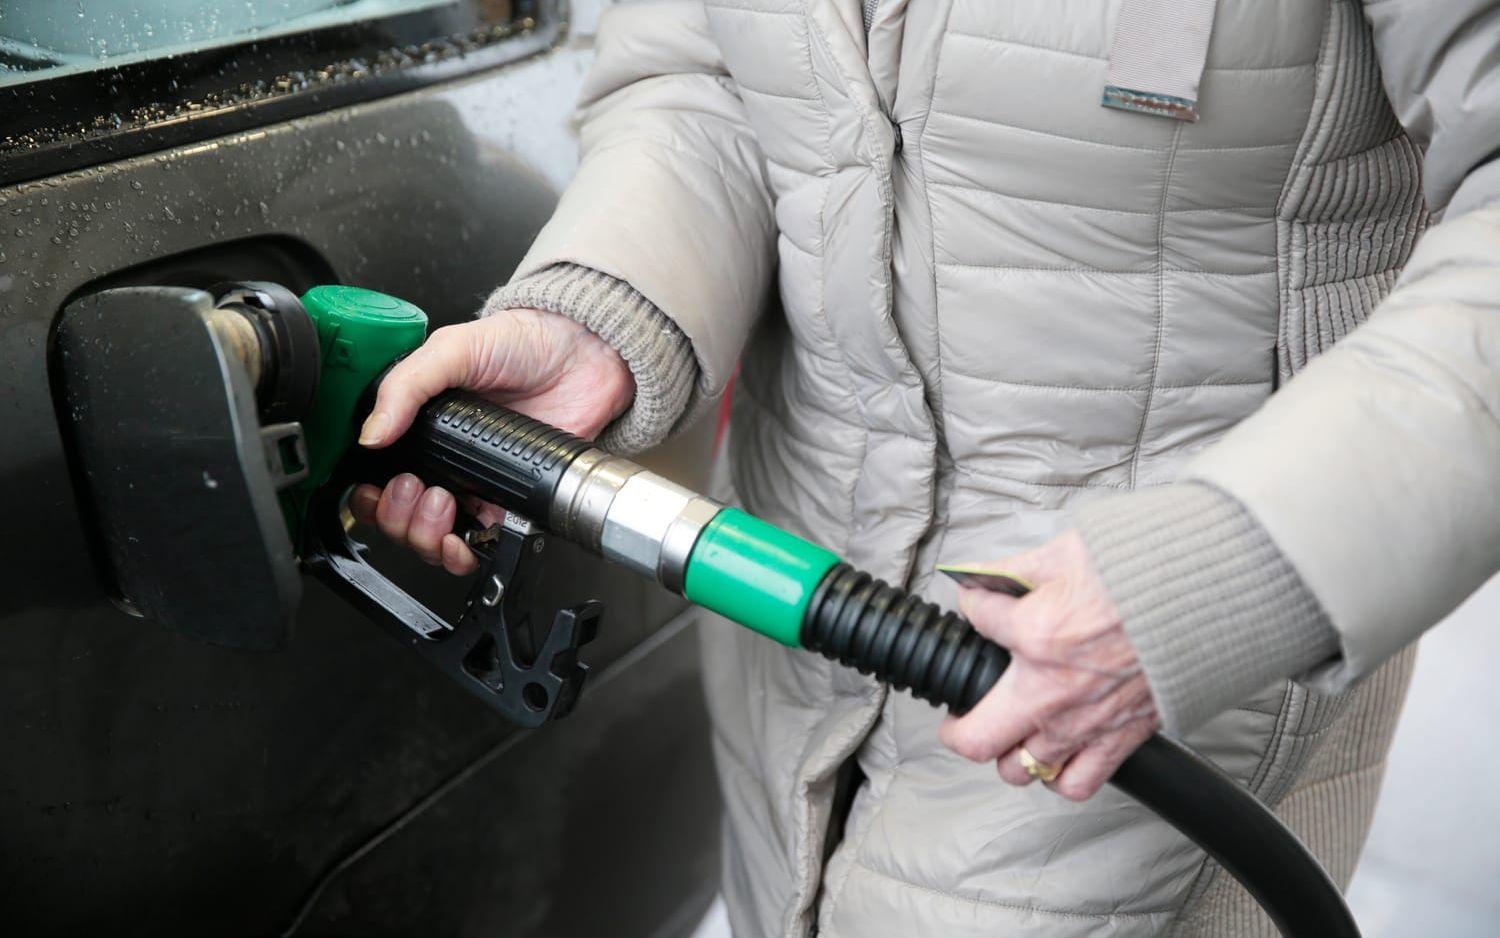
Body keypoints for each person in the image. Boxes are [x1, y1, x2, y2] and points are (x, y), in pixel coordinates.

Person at [347, 1, 1500, 934]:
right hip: (797, 627)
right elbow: (705, 74)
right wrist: (606, 309)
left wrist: (1225, 570)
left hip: (1133, 669)